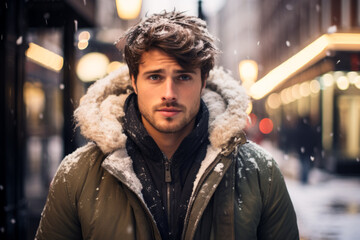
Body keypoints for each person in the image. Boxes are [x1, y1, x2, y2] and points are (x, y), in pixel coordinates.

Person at [35, 11, 299, 240]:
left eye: (183, 77)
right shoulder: (77, 175)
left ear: (203, 81)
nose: (169, 93)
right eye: (155, 77)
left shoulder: (259, 173)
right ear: (134, 82)